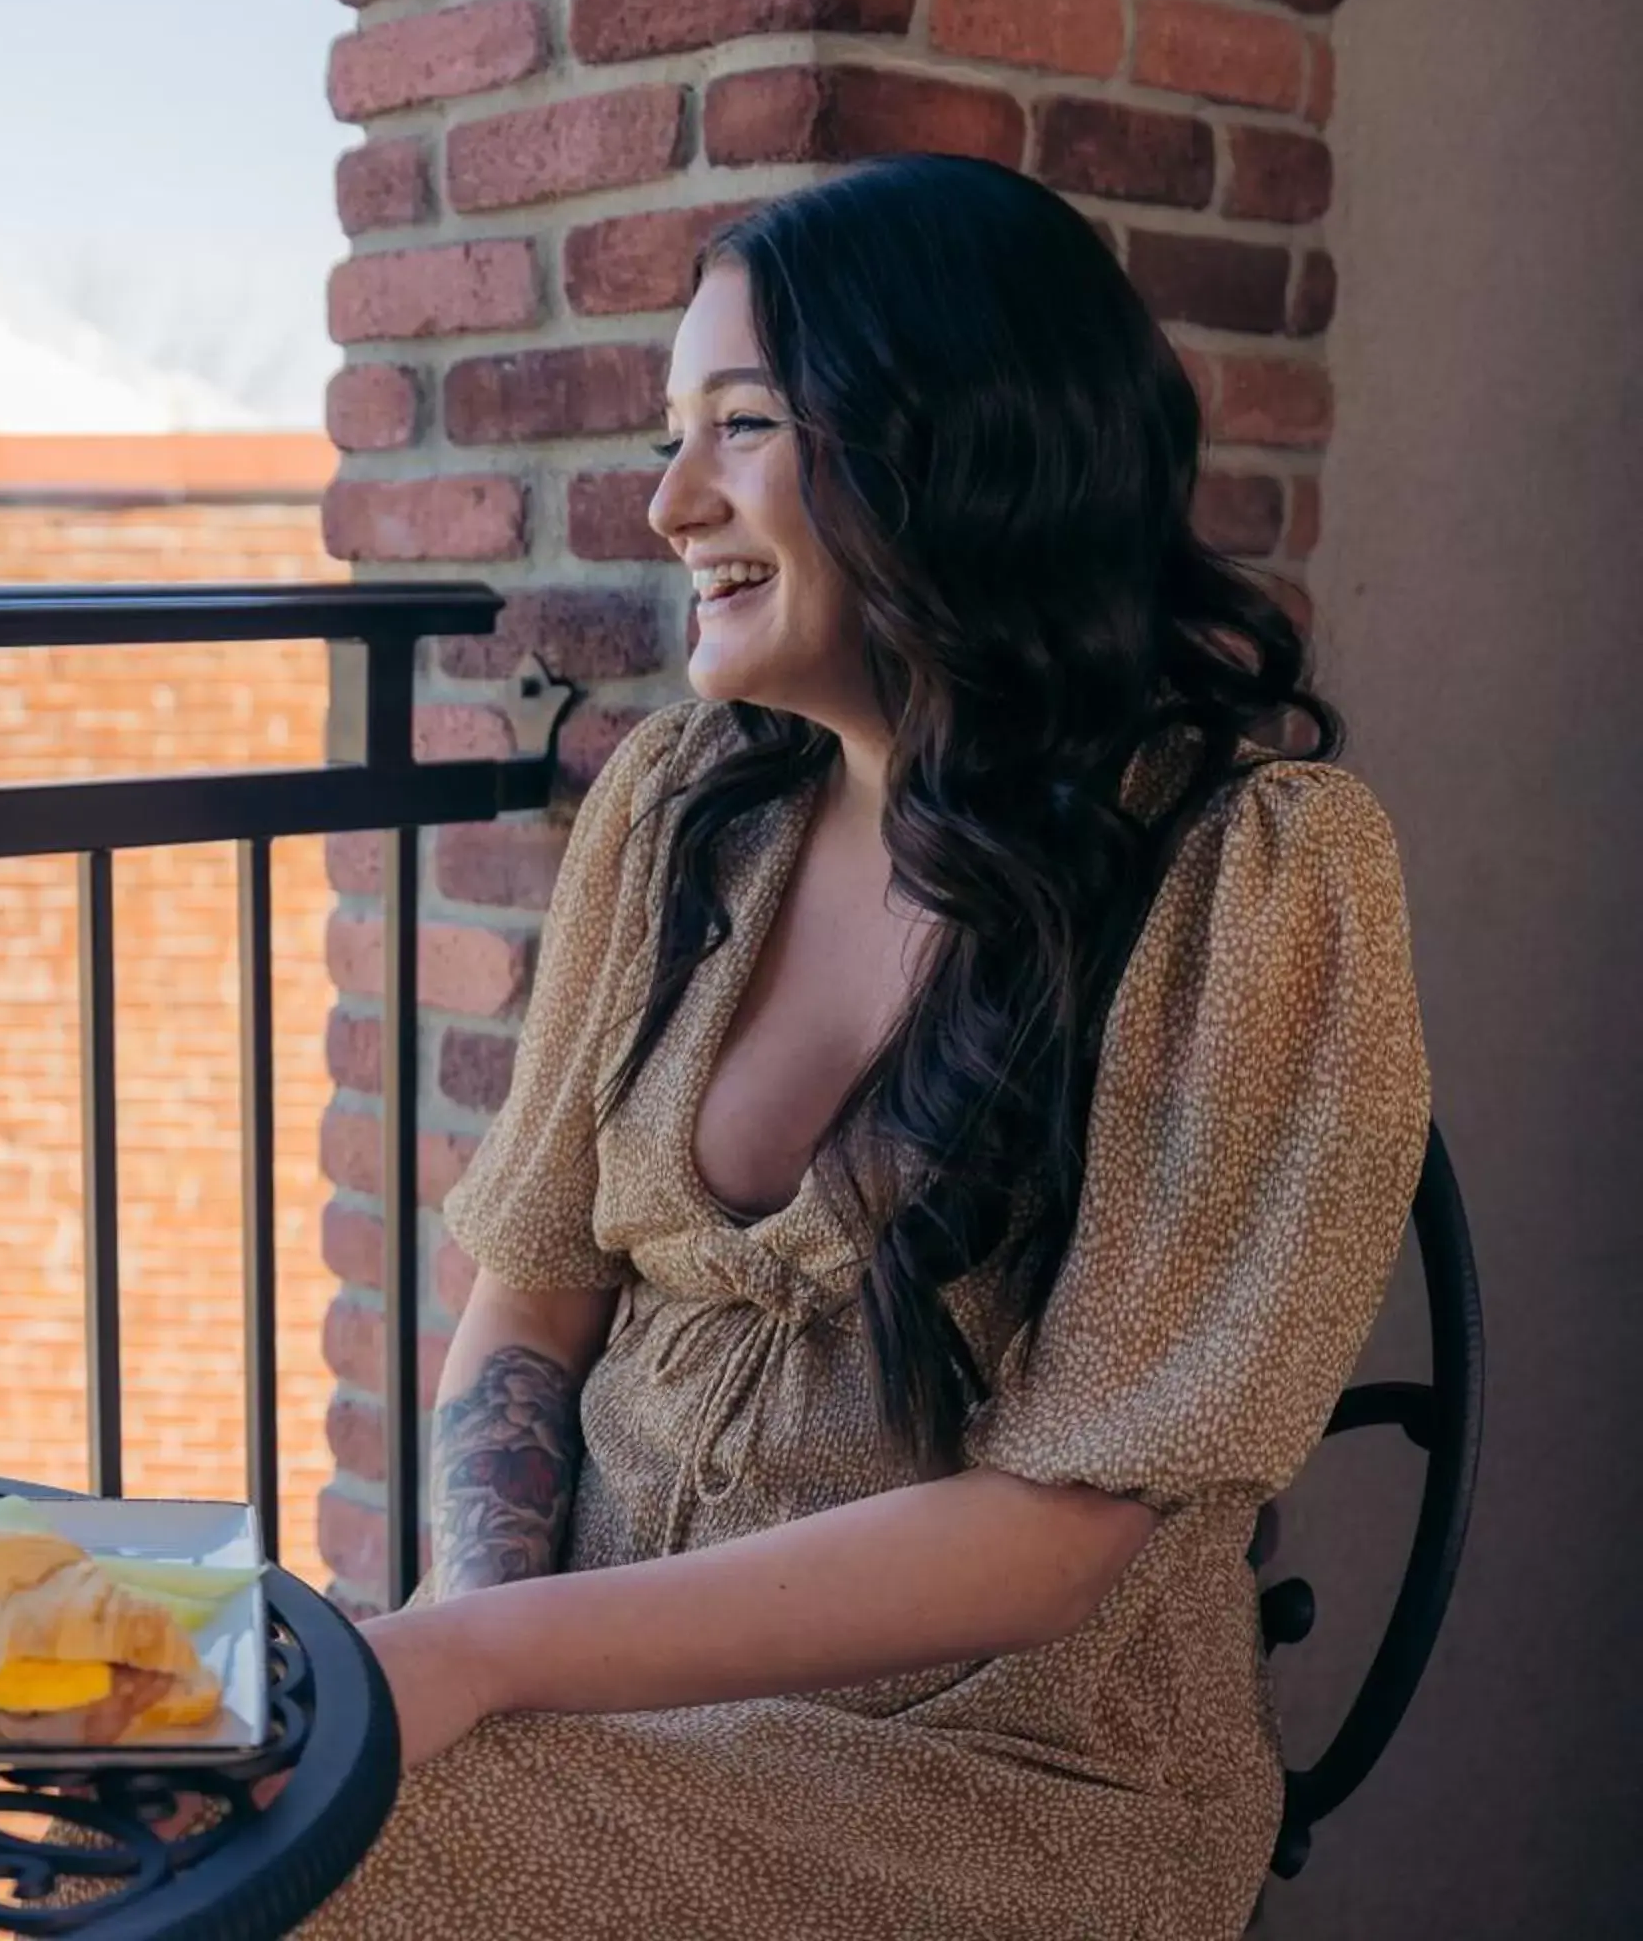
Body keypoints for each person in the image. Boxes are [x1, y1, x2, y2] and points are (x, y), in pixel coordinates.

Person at [299, 155, 1429, 1939]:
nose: (671, 503)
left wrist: (492, 1666)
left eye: (739, 426)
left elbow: (1055, 1536)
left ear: (958, 440)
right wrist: (470, 1641)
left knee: (312, 1876)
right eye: (675, 432)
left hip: (1004, 1778)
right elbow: (530, 1295)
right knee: (183, 1800)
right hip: (583, 1695)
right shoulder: (685, 808)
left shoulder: (1253, 870)